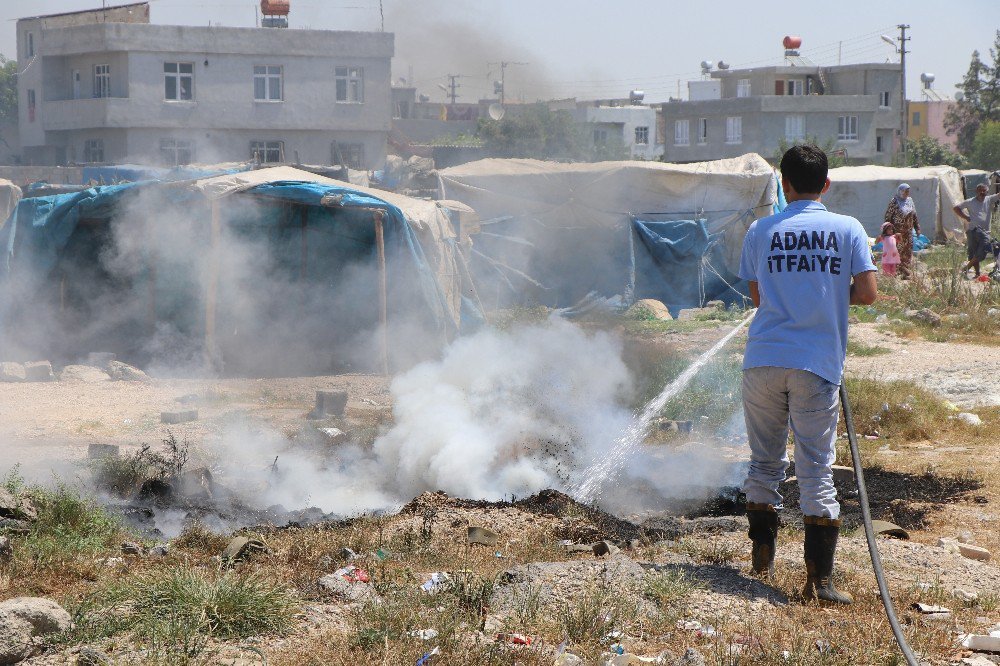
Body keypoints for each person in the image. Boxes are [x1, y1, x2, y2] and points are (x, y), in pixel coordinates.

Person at [738, 145, 877, 605]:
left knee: (764, 463)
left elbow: (758, 297)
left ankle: (761, 561)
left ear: (783, 183)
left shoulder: (761, 230)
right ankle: (819, 582)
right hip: (816, 365)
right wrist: (827, 295)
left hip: (762, 361)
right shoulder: (848, 228)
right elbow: (868, 293)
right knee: (815, 469)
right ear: (827, 184)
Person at [955, 184, 1000, 278]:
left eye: (984, 191)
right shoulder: (970, 201)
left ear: (987, 192)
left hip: (985, 232)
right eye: (980, 190)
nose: (982, 192)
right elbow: (956, 208)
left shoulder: (989, 199)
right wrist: (966, 217)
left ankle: (966, 268)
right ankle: (977, 274)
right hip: (972, 230)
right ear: (976, 191)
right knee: (974, 253)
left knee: (982, 252)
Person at [883, 184, 920, 279]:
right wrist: (888, 231)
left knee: (908, 250)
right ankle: (896, 271)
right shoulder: (894, 202)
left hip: (908, 232)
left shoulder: (910, 201)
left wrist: (917, 228)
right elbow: (888, 217)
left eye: (908, 191)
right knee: (897, 250)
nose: (907, 193)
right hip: (897, 232)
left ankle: (905, 270)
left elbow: (914, 215)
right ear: (901, 191)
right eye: (906, 191)